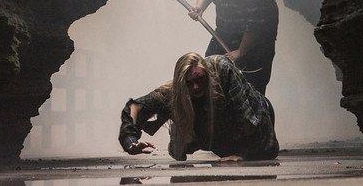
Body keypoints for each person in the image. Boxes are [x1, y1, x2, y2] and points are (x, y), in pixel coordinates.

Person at [118, 52, 279, 161]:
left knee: (254, 144)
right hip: (213, 132)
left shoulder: (221, 69)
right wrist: (130, 141)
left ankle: (193, 135)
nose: (195, 87)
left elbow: (251, 121)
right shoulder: (174, 91)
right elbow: (135, 107)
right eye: (189, 83)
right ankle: (185, 133)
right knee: (180, 151)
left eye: (199, 80)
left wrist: (241, 154)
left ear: (207, 76)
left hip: (255, 112)